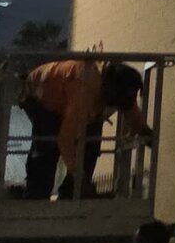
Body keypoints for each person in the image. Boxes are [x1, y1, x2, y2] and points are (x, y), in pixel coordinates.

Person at [22, 59, 151, 199]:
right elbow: (65, 140)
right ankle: (37, 194)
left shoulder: (119, 87)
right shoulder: (84, 91)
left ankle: (71, 193)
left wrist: (149, 136)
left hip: (67, 94)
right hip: (40, 92)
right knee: (47, 143)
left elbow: (134, 117)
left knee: (91, 143)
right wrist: (78, 175)